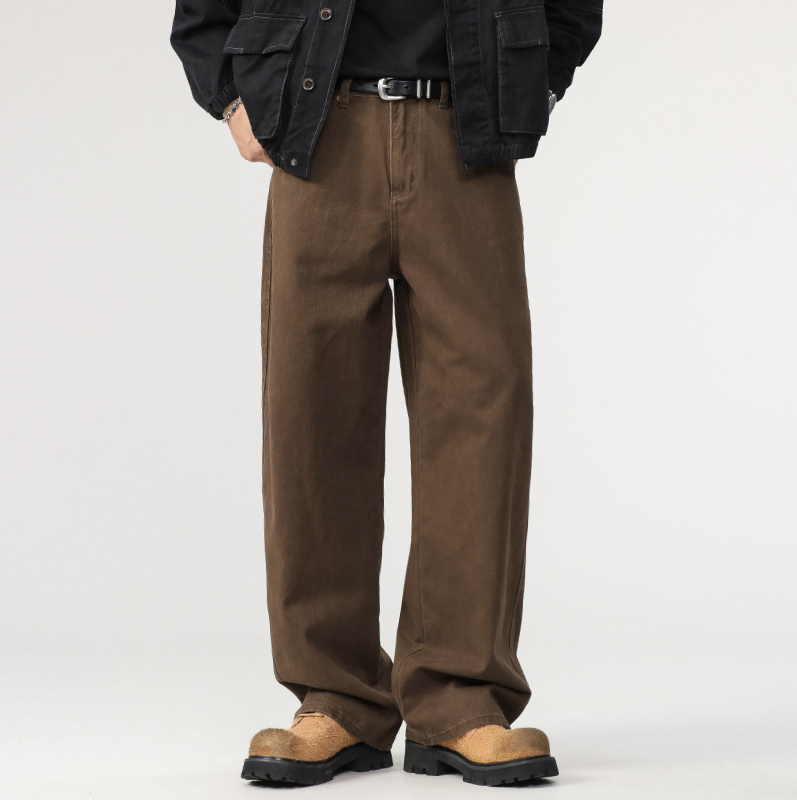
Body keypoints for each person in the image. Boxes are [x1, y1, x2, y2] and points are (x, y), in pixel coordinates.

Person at [171, 0, 603, 786]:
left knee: (481, 414)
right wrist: (231, 96)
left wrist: (531, 80)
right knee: (311, 417)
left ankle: (460, 700)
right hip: (318, 130)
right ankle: (335, 699)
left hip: (465, 129)